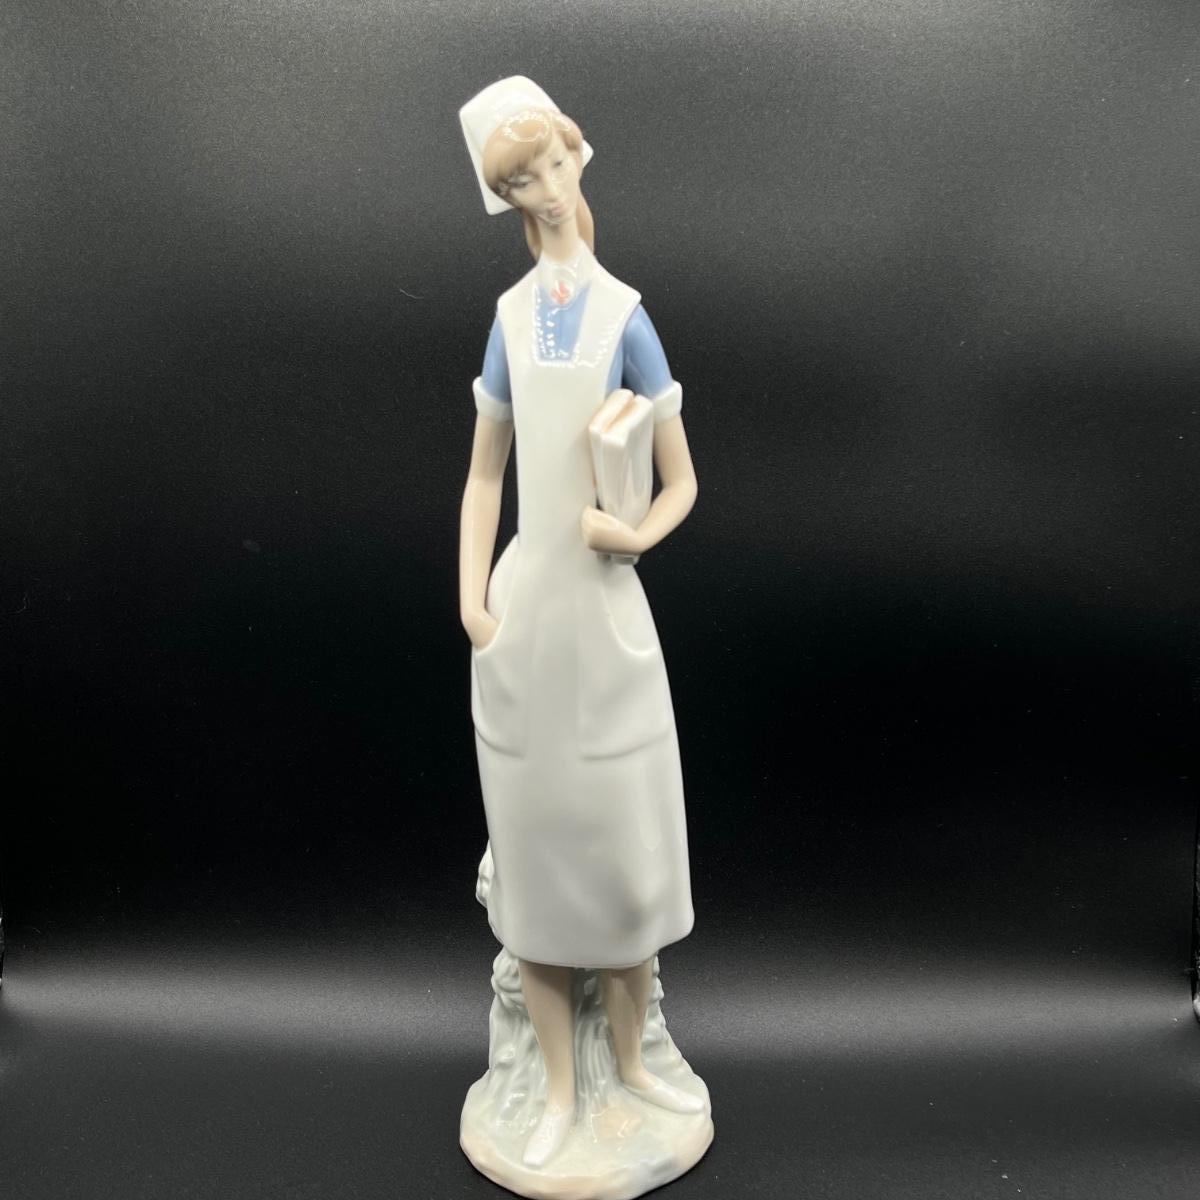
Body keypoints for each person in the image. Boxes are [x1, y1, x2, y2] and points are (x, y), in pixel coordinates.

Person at [458, 77, 704, 1169]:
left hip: (605, 622)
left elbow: (682, 479)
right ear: (507, 196)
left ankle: (636, 1062)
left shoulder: (623, 316)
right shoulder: (512, 318)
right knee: (540, 864)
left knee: (621, 857)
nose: (547, 189)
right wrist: (474, 598)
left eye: (555, 163)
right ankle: (556, 1090)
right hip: (526, 624)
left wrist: (635, 532)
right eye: (523, 179)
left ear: (578, 157)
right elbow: (485, 475)